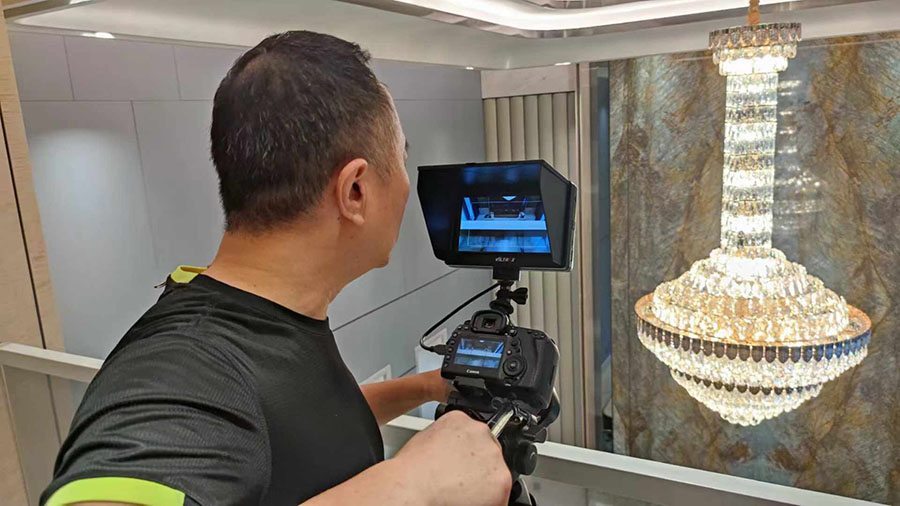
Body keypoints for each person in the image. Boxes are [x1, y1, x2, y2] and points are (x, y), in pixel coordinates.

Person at [40, 31, 511, 506]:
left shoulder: (264, 322)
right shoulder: (183, 364)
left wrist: (425, 386)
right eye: (402, 159)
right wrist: (413, 484)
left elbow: (297, 432)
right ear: (355, 191)